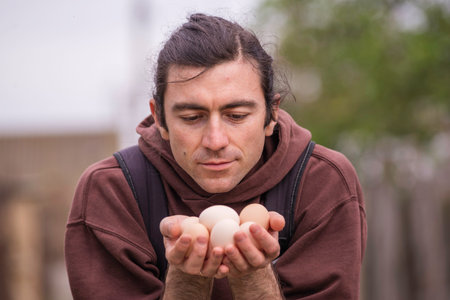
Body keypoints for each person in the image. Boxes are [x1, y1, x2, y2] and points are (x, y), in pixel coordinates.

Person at [65, 13, 367, 299]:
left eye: (236, 115)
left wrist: (253, 277)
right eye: (192, 117)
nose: (215, 140)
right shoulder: (113, 191)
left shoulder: (322, 182)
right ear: (159, 118)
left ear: (272, 114)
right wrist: (187, 280)